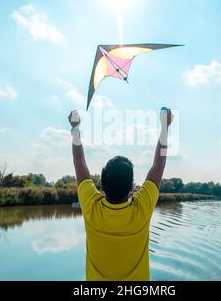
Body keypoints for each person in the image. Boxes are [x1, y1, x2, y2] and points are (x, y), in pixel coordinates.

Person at [68, 107, 174, 281]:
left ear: (102, 184)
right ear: (132, 187)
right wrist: (165, 127)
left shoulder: (91, 207)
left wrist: (75, 128)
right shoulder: (142, 208)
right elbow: (159, 165)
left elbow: (79, 162)